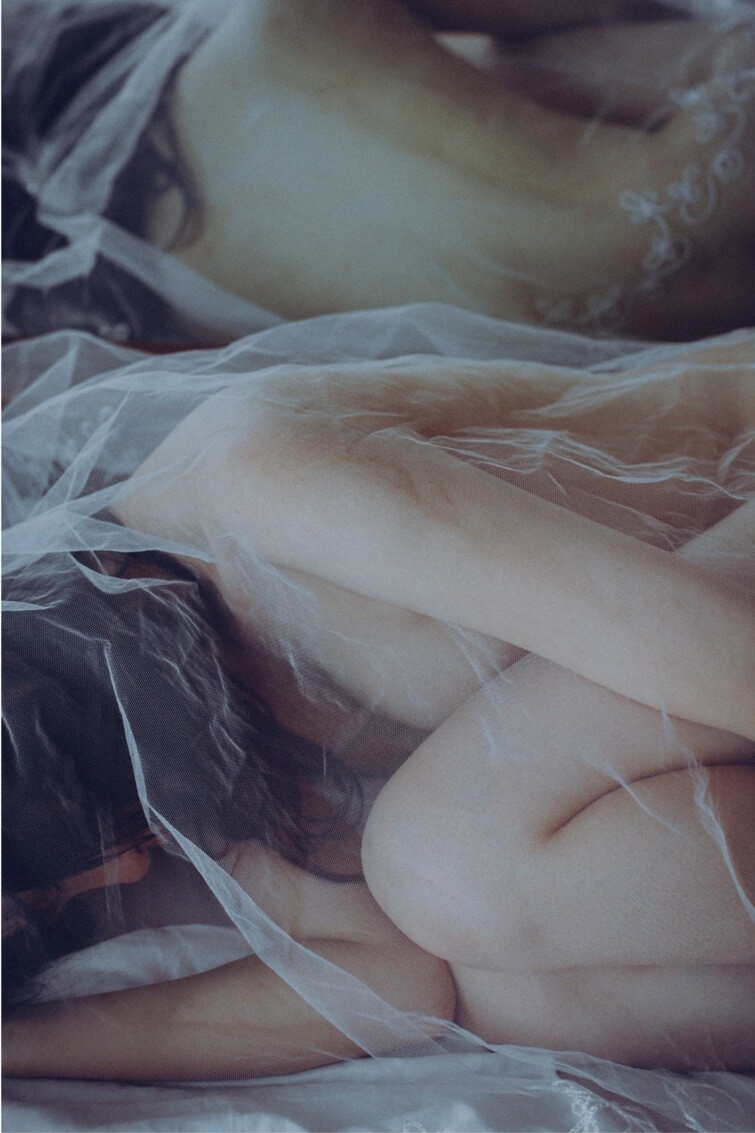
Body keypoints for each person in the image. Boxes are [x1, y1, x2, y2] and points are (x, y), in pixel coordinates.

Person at [2, 328, 753, 1078]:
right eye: (47, 903)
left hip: (722, 578)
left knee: (445, 859)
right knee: (515, 1000)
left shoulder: (263, 482)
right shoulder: (180, 722)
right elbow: (391, 982)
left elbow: (709, 643)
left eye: (65, 853)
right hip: (702, 677)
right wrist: (15, 1046)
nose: (128, 872)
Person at [4, 0, 755, 343]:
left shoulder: (160, 327)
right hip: (718, 188)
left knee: (501, 75)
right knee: (510, 59)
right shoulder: (280, 24)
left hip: (674, 337)